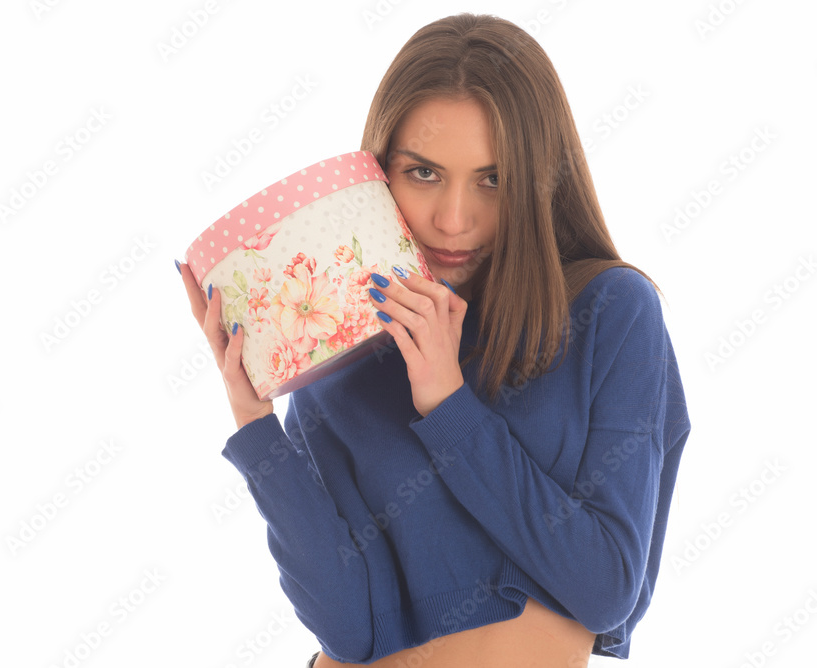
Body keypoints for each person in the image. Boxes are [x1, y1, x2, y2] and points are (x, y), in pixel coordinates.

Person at [179, 12, 691, 668]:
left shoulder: (611, 312)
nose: (453, 220)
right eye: (424, 173)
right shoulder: (345, 345)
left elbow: (605, 590)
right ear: (377, 172)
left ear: (541, 181)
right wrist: (255, 426)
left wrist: (449, 405)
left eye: (493, 179)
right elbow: (349, 631)